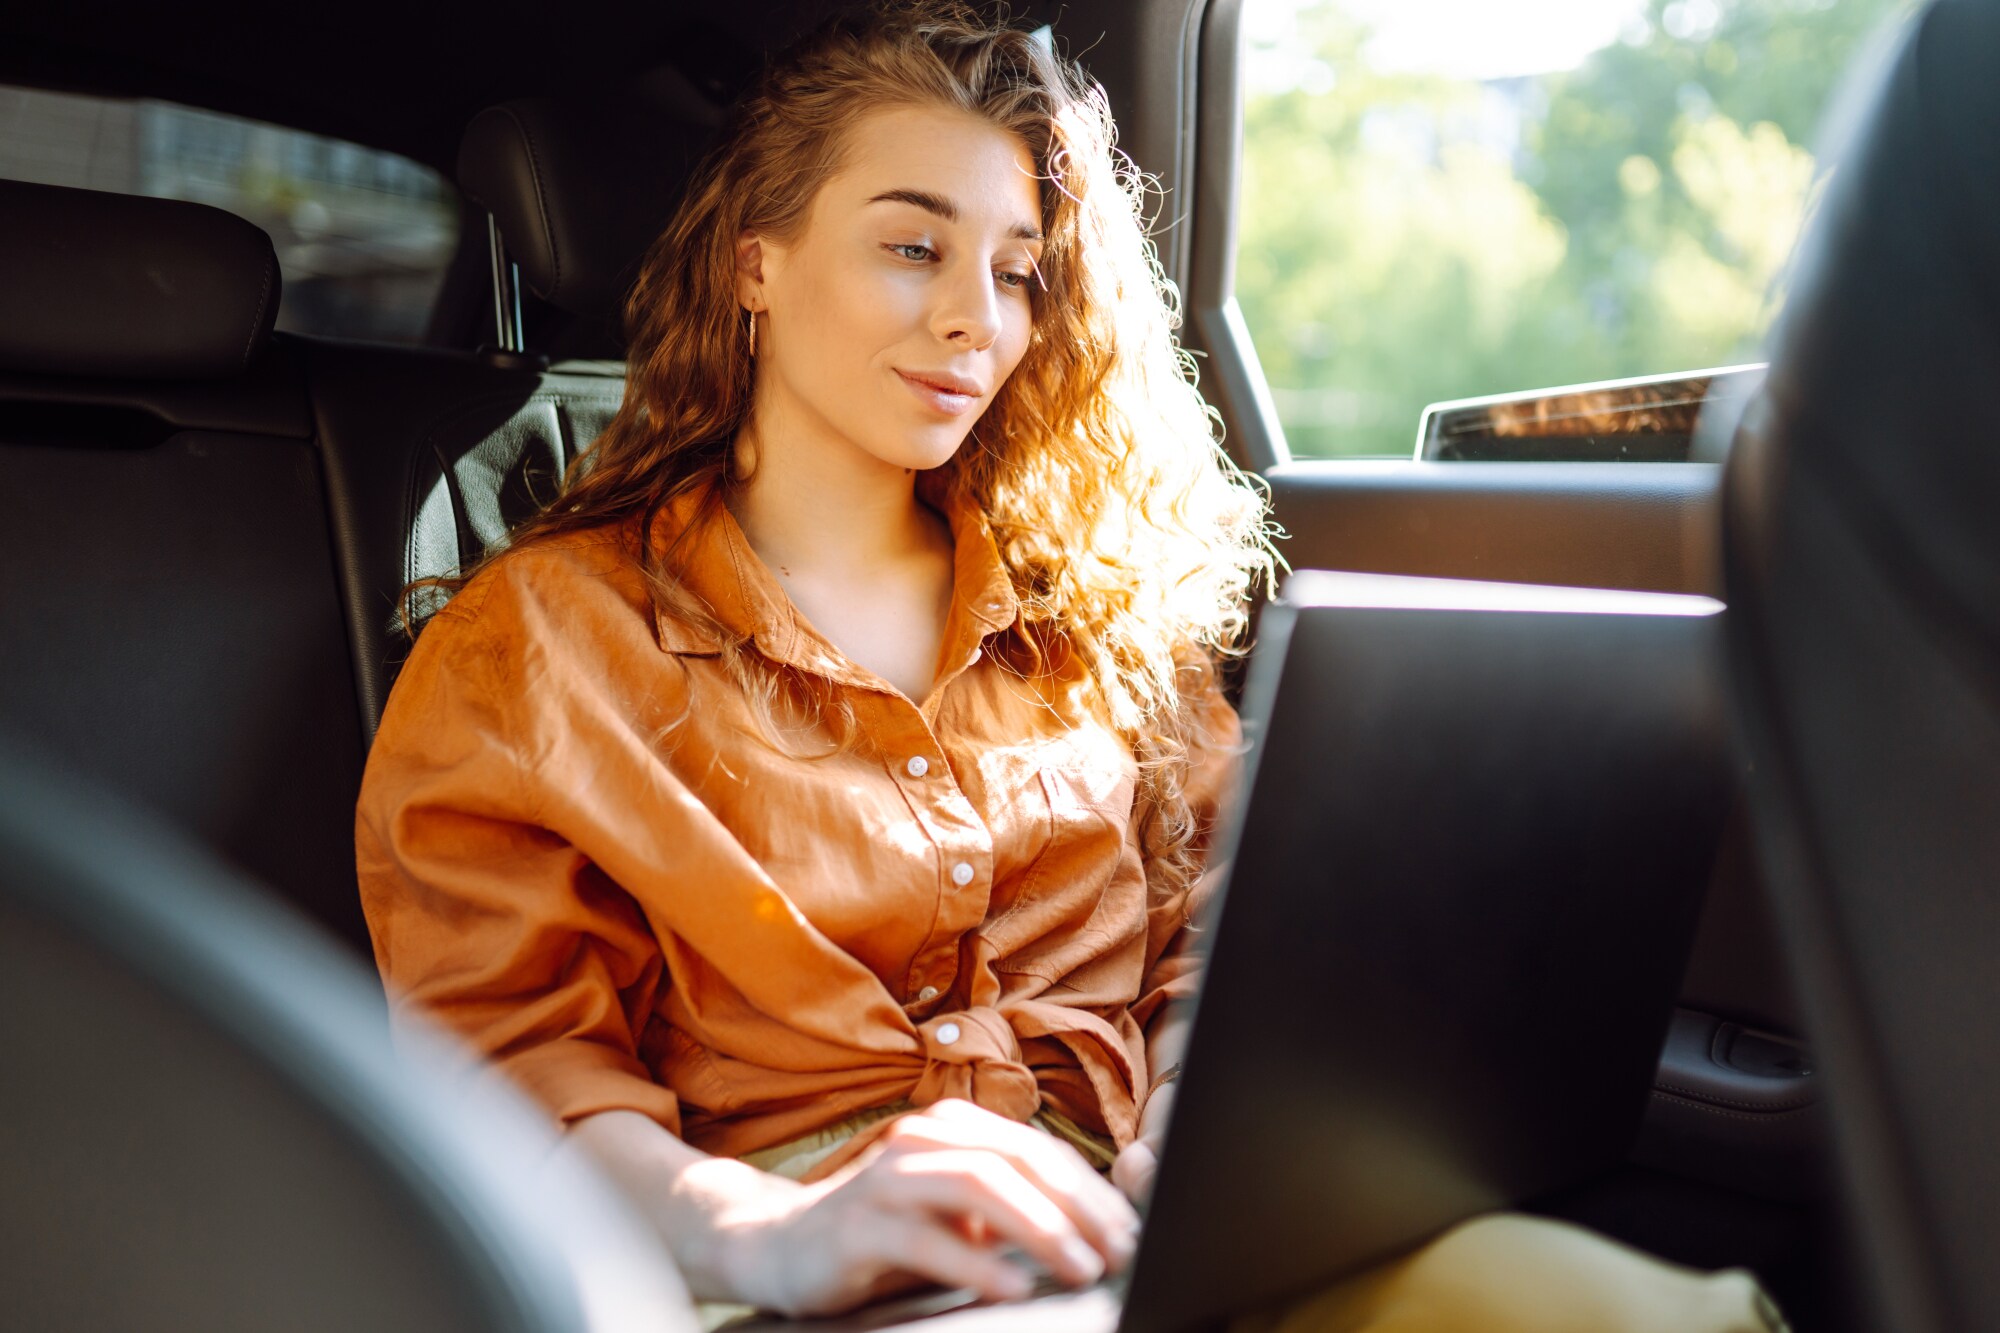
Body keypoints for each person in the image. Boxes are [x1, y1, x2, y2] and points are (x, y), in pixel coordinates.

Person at [355, 3, 1786, 1328]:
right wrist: (761, 1231)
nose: (978, 317)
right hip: (798, 1257)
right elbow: (512, 1081)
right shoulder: (538, 641)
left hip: (1149, 1221)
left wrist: (1196, 1118)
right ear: (758, 264)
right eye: (911, 245)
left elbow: (1216, 924)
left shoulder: (1094, 613)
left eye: (1019, 269)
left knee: (1654, 1312)